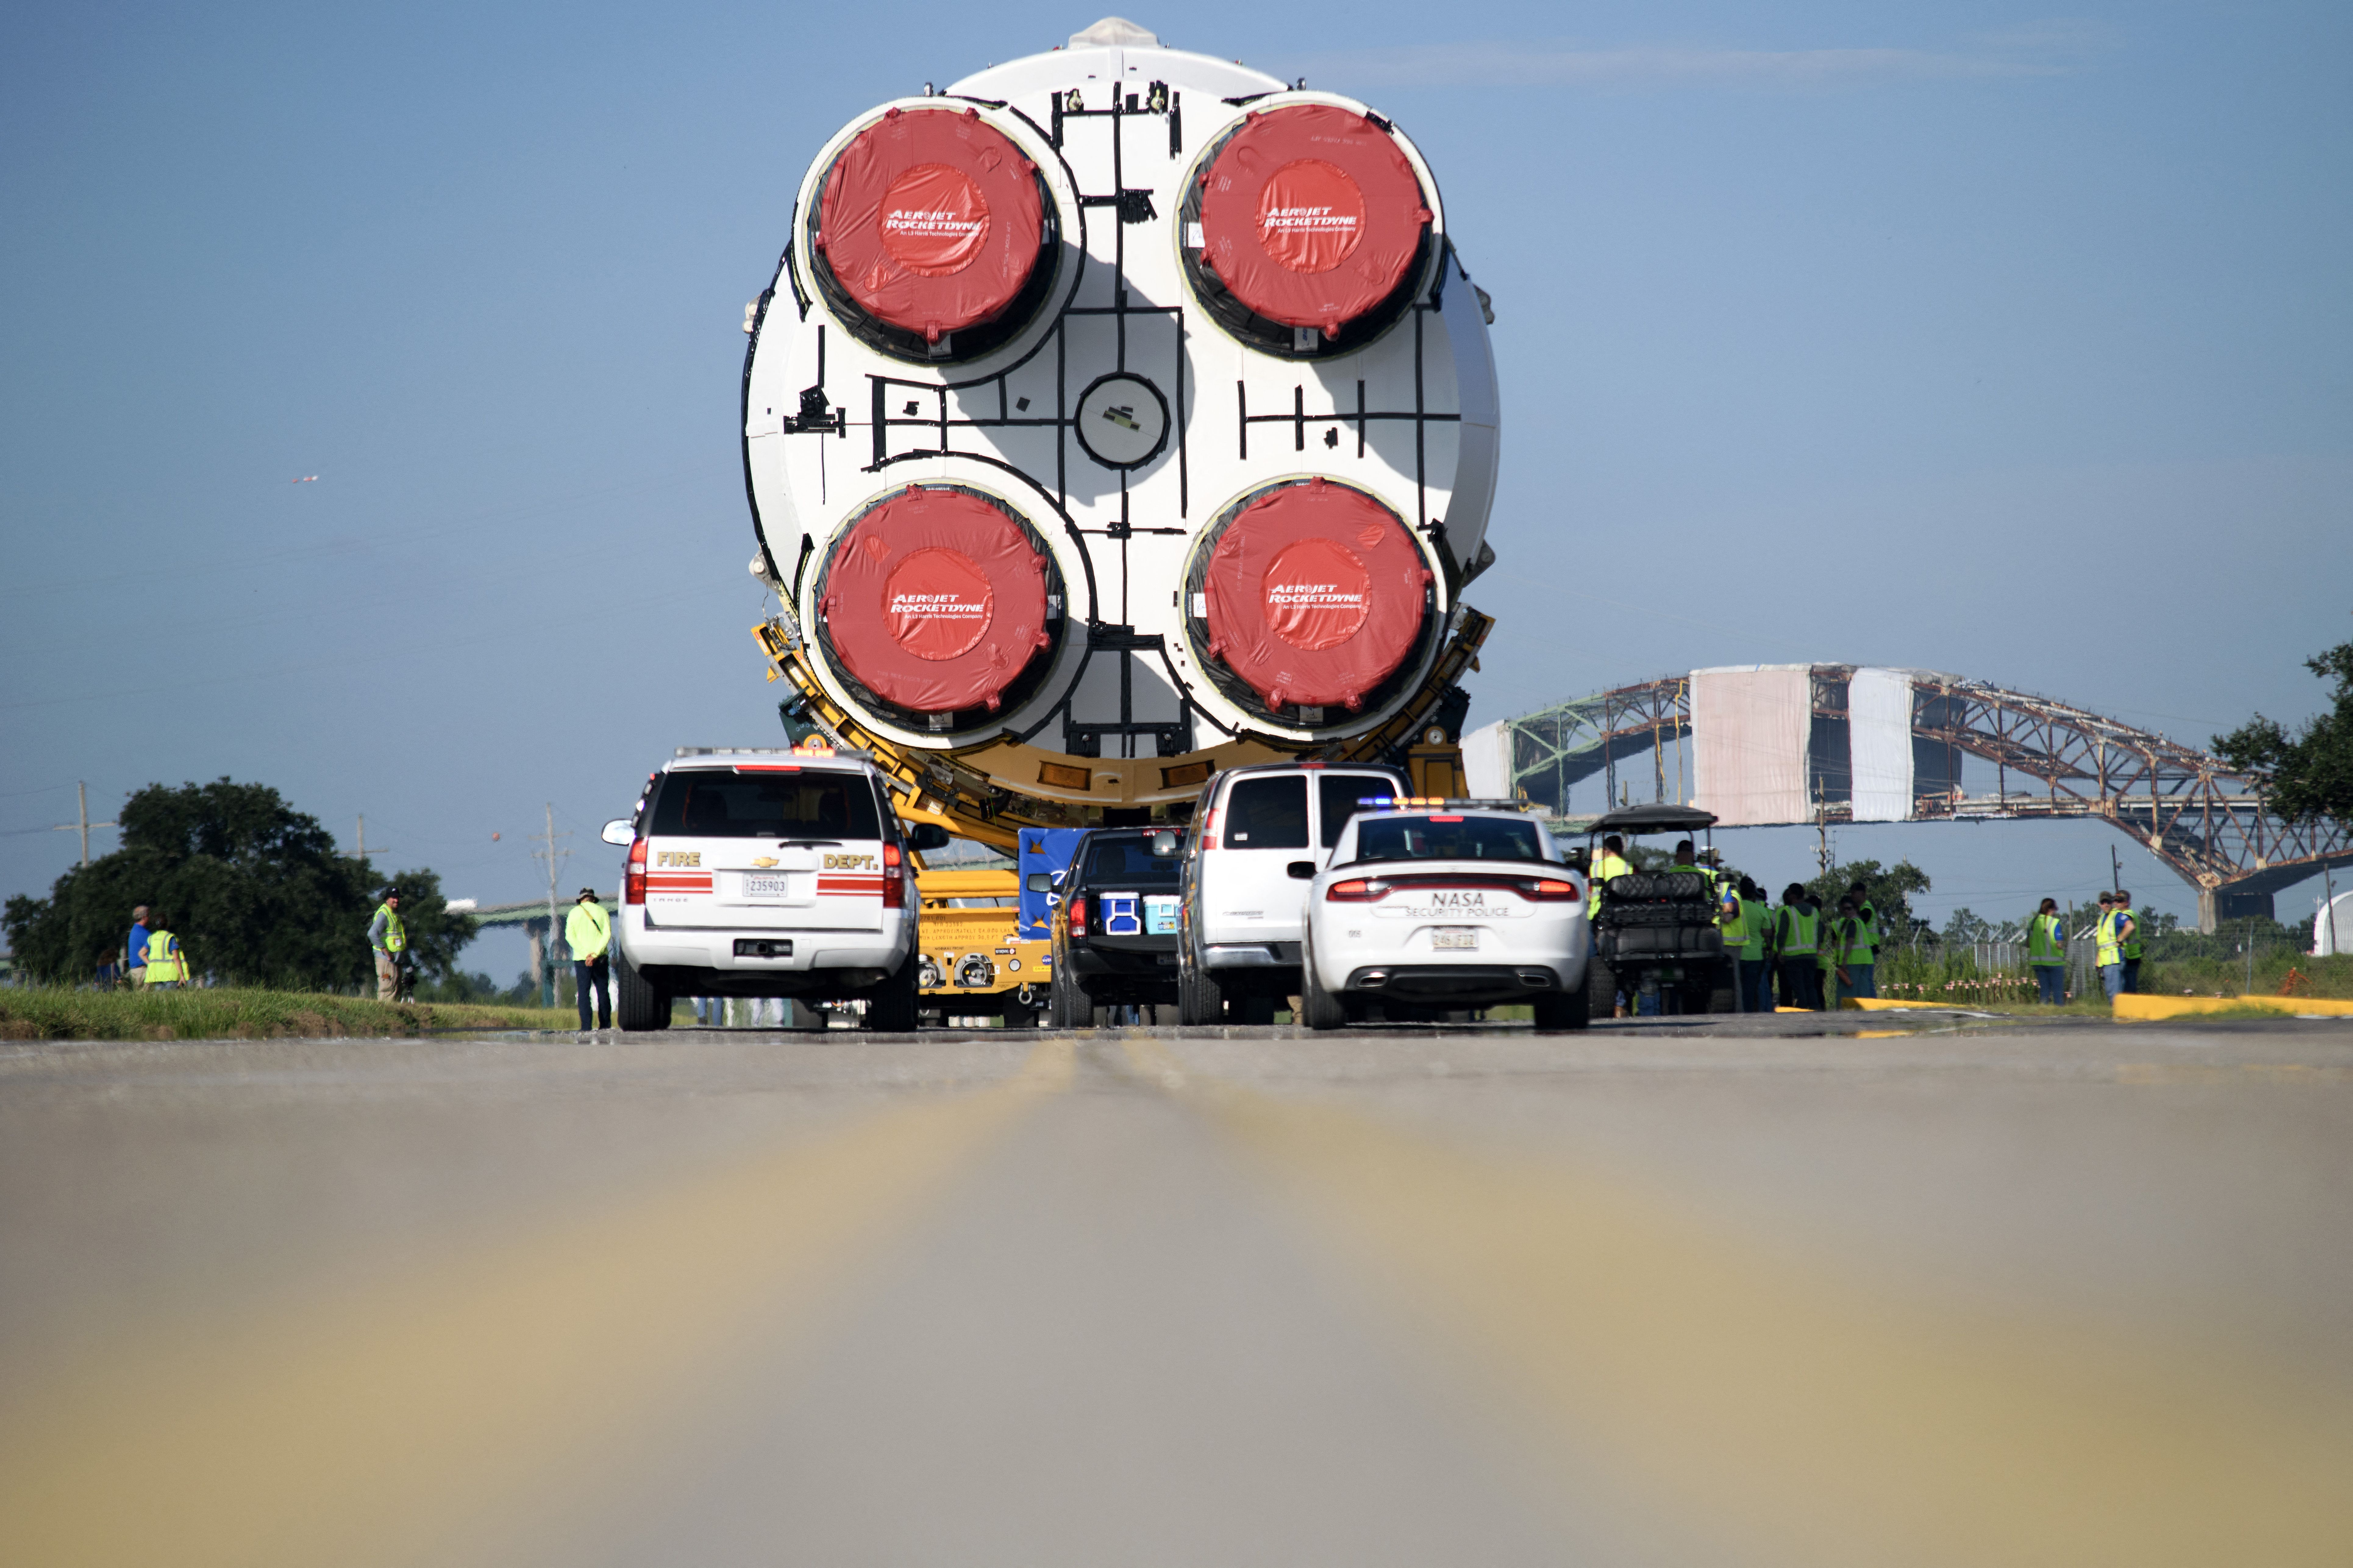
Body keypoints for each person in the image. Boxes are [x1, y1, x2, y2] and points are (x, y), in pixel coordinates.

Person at [566, 887, 613, 1031]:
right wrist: (595, 954)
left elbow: (570, 937)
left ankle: (586, 1027)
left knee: (584, 993)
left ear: (581, 900)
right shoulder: (603, 911)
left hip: (582, 959)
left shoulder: (573, 913)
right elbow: (607, 935)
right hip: (600, 959)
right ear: (593, 899)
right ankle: (605, 1025)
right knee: (603, 992)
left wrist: (586, 954)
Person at [1775, 883, 1821, 1010]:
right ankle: (1816, 1011)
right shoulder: (1815, 912)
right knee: (1810, 986)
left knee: (1799, 990)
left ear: (1794, 895)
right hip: (1811, 957)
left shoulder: (1789, 912)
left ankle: (1802, 1013)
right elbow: (1820, 932)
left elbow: (1782, 934)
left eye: (1789, 894)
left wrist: (1780, 952)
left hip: (1794, 958)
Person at [2094, 892, 2134, 1003]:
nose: (2106, 905)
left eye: (2108, 902)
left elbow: (2130, 926)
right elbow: (2102, 943)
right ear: (2099, 904)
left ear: (2112, 903)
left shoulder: (2117, 916)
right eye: (2103, 902)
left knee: (2115, 993)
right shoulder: (2101, 919)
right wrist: (2098, 961)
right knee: (2110, 992)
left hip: (2115, 960)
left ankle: (2120, 1014)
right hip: (2106, 962)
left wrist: (2120, 939)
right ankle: (2117, 1013)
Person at [368, 888, 406, 1002]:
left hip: (395, 959)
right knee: (387, 989)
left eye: (398, 898)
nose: (397, 900)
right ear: (387, 899)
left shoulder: (393, 913)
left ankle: (395, 1017)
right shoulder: (384, 914)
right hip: (386, 959)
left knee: (396, 989)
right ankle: (385, 1016)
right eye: (394, 898)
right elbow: (372, 934)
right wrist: (385, 951)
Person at [2028, 898, 2068, 1004]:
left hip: (2038, 963)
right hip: (2054, 962)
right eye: (2055, 909)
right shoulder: (2054, 923)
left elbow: (2028, 943)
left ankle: (2044, 1013)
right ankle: (2059, 1014)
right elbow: (2059, 944)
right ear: (2051, 909)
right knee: (2058, 992)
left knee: (2044, 991)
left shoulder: (2032, 923)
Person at [1839, 891, 1878, 1000]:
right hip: (1866, 955)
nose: (1847, 912)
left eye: (1849, 909)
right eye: (1845, 909)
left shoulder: (1858, 918)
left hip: (1860, 956)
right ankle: (1870, 1007)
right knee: (1865, 986)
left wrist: (1845, 960)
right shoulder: (1860, 919)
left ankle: (1869, 1006)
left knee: (1860, 986)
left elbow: (1851, 940)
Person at [1587, 834, 1634, 918]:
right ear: (1621, 849)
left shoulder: (1594, 867)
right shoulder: (1631, 868)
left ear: (1605, 850)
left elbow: (1589, 891)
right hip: (1625, 913)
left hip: (1597, 913)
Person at [141, 916, 189, 990]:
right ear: (167, 924)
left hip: (156, 976)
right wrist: (182, 976)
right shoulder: (170, 938)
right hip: (170, 976)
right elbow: (176, 958)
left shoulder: (152, 938)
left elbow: (142, 954)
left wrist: (151, 964)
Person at [2115, 888, 2144, 993]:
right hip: (2133, 955)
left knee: (2129, 988)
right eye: (2115, 900)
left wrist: (2119, 941)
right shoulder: (2131, 913)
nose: (2116, 903)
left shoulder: (2127, 915)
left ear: (2127, 902)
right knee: (2130, 984)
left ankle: (2130, 1008)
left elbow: (2129, 927)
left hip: (2130, 955)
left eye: (2120, 901)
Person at [124, 905, 152, 988]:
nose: (150, 918)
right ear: (144, 918)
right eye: (149, 915)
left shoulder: (134, 931)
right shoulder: (145, 934)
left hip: (134, 971)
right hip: (143, 971)